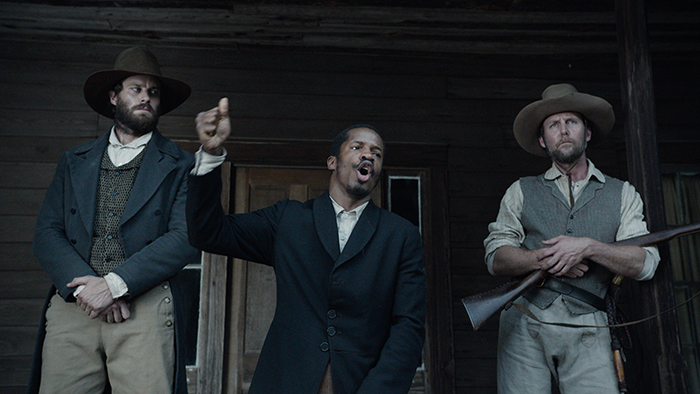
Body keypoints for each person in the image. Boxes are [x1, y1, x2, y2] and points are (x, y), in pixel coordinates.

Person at [186, 97, 426, 394]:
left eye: (376, 153)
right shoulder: (289, 219)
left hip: (362, 385)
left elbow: (409, 327)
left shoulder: (401, 236)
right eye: (358, 148)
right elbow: (208, 233)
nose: (368, 155)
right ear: (332, 162)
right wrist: (210, 153)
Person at [28, 46, 198, 394]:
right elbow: (47, 232)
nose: (146, 98)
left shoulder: (181, 164)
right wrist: (91, 288)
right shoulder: (74, 160)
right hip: (76, 303)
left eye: (153, 92)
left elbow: (185, 237)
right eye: (136, 89)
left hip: (145, 307)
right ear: (113, 96)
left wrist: (116, 285)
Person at [483, 83, 660, 393]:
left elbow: (645, 264)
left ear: (586, 132)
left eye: (571, 122)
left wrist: (588, 247)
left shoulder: (623, 193)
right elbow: (496, 257)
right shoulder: (520, 191)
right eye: (553, 125)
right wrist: (546, 258)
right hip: (526, 321)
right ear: (542, 139)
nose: (563, 130)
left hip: (590, 325)